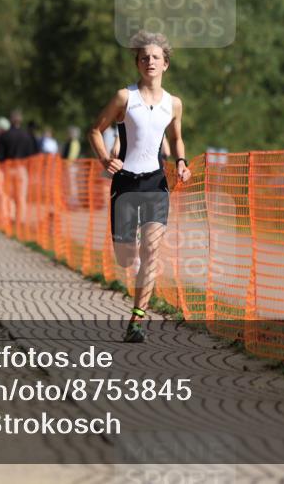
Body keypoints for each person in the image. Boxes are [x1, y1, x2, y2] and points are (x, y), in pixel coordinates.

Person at [89, 30, 190, 343]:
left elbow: (176, 138)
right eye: (144, 57)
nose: (150, 62)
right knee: (125, 257)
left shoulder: (173, 103)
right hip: (125, 184)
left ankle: (137, 320)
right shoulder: (125, 97)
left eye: (156, 57)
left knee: (151, 250)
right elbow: (94, 130)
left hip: (155, 184)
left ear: (165, 64)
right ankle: (131, 267)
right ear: (137, 63)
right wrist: (105, 159)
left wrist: (182, 161)